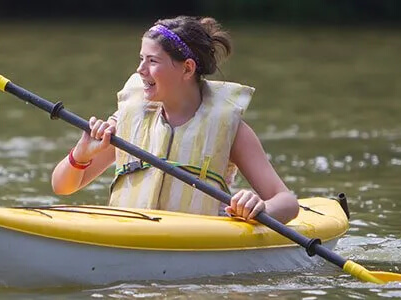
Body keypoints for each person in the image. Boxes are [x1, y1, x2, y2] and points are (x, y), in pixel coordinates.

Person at [50, 16, 299, 224]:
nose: (140, 69)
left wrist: (258, 208)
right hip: (127, 237)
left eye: (153, 61)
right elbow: (62, 186)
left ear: (187, 68)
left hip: (193, 247)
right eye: (141, 59)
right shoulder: (126, 123)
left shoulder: (231, 131)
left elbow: (287, 202)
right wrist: (81, 155)